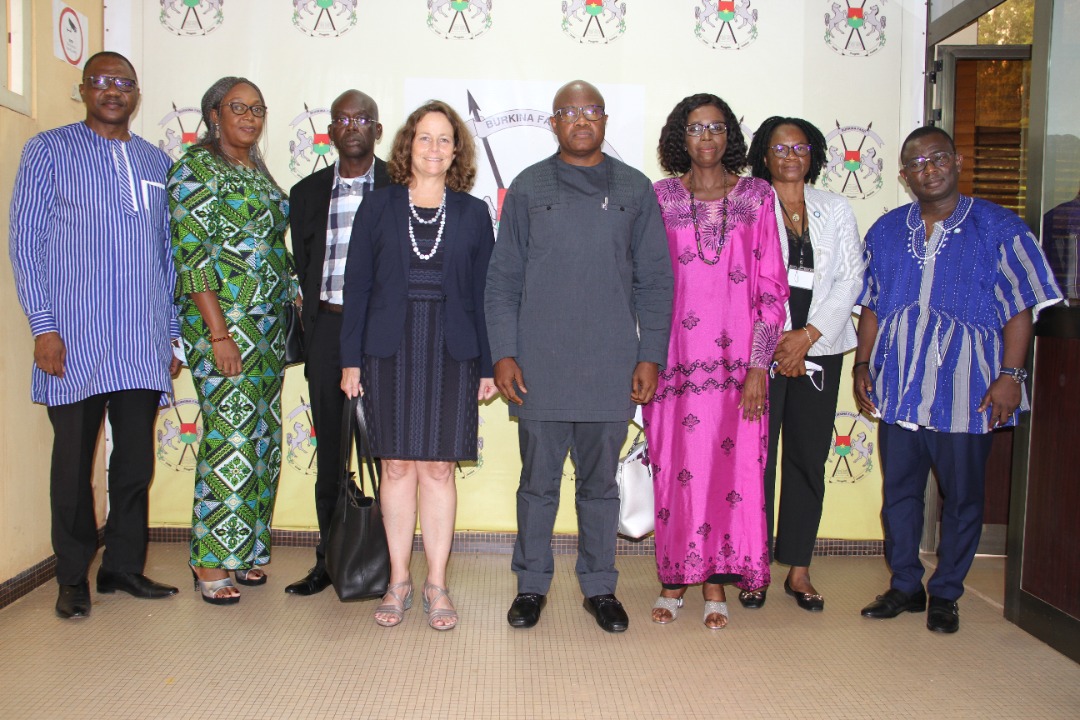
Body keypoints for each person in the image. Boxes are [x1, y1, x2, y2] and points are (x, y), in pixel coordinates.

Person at [854, 127, 1061, 633]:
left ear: (958, 161)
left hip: (968, 390)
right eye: (916, 163)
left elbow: (1021, 309)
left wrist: (1011, 376)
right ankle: (905, 586)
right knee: (900, 494)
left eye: (937, 158)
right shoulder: (885, 230)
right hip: (900, 387)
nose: (929, 168)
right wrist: (863, 365)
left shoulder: (999, 227)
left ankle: (946, 592)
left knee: (963, 497)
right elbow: (872, 306)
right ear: (903, 176)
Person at [486, 80, 674, 633]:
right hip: (539, 367)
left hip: (611, 367)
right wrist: (504, 354)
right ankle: (531, 585)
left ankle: (599, 586)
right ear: (554, 123)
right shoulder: (527, 186)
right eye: (569, 111)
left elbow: (656, 283)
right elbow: (502, 281)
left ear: (606, 119)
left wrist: (650, 356)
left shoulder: (636, 190)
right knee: (537, 485)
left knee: (599, 487)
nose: (581, 119)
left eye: (591, 109)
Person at [9, 51, 181, 619]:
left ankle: (122, 568)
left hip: (139, 341)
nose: (114, 91)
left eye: (124, 83)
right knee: (73, 465)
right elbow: (26, 242)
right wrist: (44, 327)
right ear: (83, 89)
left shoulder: (157, 162)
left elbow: (168, 258)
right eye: (103, 82)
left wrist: (172, 336)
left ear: (137, 93)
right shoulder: (48, 151)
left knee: (134, 465)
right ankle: (71, 576)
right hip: (73, 340)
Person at [340, 100, 496, 631]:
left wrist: (489, 365)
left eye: (444, 139)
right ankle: (398, 580)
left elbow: (484, 295)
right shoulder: (378, 206)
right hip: (388, 349)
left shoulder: (474, 213)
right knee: (396, 467)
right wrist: (349, 360)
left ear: (457, 151)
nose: (434, 148)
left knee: (438, 468)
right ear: (409, 146)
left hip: (453, 351)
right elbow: (356, 287)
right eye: (424, 138)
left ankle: (436, 584)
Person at [643, 94, 788, 630]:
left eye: (718, 128)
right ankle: (672, 580)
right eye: (697, 128)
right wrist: (647, 357)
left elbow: (772, 289)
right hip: (675, 366)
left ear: (731, 137)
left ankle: (715, 586)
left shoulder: (756, 196)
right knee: (676, 472)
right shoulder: (658, 198)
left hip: (737, 370)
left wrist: (758, 367)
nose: (707, 138)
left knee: (730, 474)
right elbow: (645, 282)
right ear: (681, 135)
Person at [168, 77, 296, 605]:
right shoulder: (194, 169)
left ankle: (244, 550)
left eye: (258, 108)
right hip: (224, 326)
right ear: (213, 113)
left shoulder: (258, 171)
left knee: (262, 441)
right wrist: (219, 333)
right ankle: (208, 560)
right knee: (230, 439)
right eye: (237, 107)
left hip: (267, 330)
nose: (249, 116)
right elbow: (193, 260)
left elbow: (271, 247)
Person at [743, 116, 865, 612]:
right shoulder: (749, 203)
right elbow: (741, 281)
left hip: (820, 347)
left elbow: (851, 278)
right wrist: (776, 343)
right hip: (761, 351)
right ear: (763, 155)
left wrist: (807, 337)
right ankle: (753, 567)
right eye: (779, 148)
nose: (790, 156)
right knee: (756, 461)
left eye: (799, 147)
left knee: (807, 458)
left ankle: (798, 568)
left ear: (812, 154)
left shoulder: (835, 208)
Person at [286, 90, 389, 596]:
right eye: (343, 118)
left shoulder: (401, 184)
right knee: (330, 452)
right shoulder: (305, 193)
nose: (352, 125)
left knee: (390, 452)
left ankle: (387, 563)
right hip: (327, 329)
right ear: (330, 130)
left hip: (385, 334)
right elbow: (303, 268)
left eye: (362, 118)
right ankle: (328, 560)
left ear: (378, 130)